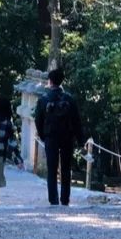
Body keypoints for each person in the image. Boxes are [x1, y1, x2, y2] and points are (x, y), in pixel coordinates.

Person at [34, 68, 84, 206]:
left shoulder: (44, 99)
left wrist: (43, 135)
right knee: (66, 169)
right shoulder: (70, 99)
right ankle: (65, 199)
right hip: (67, 137)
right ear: (62, 81)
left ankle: (53, 199)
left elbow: (38, 120)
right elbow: (77, 121)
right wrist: (80, 140)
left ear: (50, 81)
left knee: (52, 169)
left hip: (51, 137)